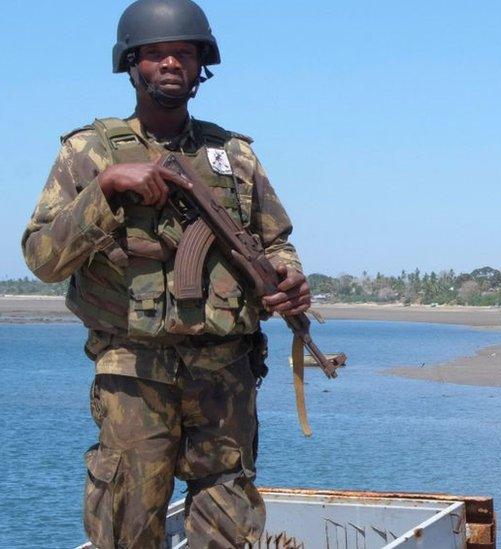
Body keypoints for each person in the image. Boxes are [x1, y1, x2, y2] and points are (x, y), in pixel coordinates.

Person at [21, 0, 311, 546]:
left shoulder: (234, 156)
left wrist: (289, 279)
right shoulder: (88, 152)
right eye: (156, 54)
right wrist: (105, 190)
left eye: (184, 53)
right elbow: (42, 258)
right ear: (132, 65)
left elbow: (276, 241)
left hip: (225, 374)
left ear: (202, 65)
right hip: (134, 372)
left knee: (229, 519)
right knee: (128, 520)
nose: (171, 63)